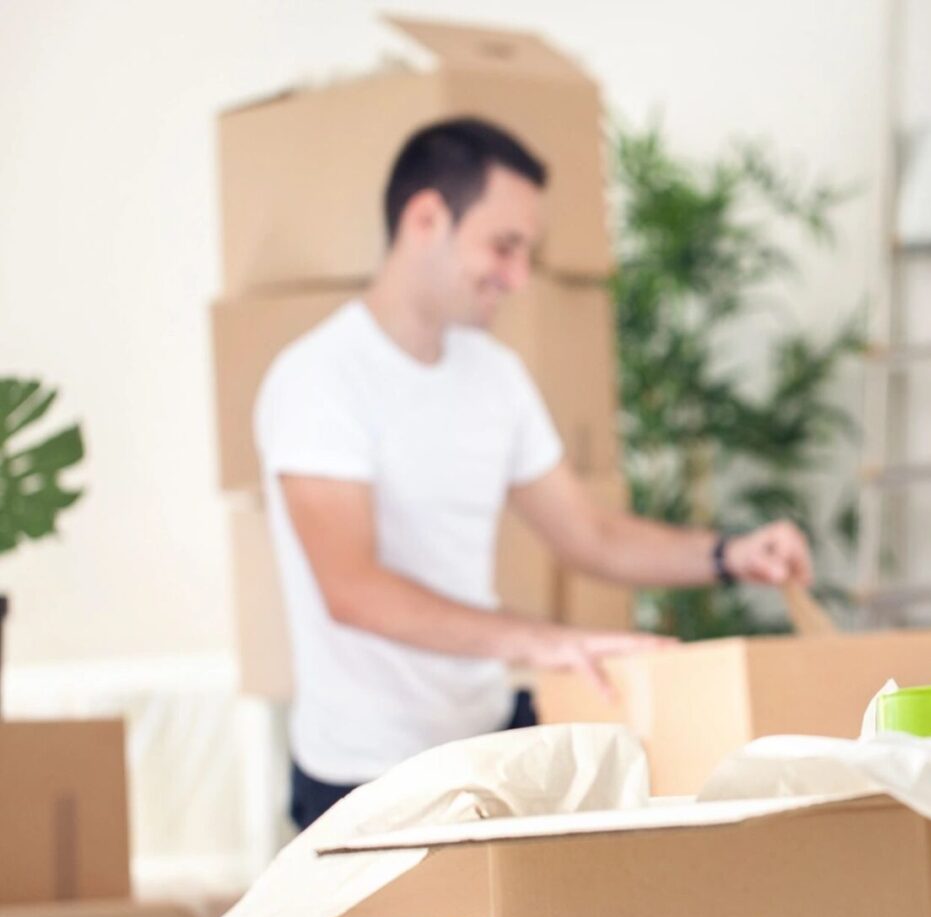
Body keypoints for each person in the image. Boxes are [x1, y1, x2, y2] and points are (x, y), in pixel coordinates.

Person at [256, 117, 813, 833]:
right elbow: (353, 590)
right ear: (425, 218)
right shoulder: (320, 379)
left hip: (482, 743)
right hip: (364, 777)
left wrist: (729, 555)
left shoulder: (495, 377)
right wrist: (547, 642)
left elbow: (591, 535)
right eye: (504, 246)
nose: (519, 278)